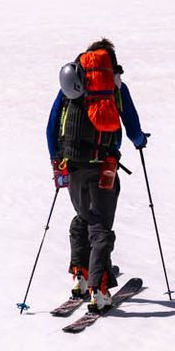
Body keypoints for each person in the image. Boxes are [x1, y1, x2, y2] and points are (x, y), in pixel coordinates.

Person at [47, 39, 147, 311]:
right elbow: (132, 126)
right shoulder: (115, 88)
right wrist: (140, 141)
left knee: (83, 217)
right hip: (104, 165)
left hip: (72, 164)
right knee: (101, 225)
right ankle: (99, 290)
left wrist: (56, 160)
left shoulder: (71, 85)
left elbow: (52, 125)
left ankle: (80, 276)